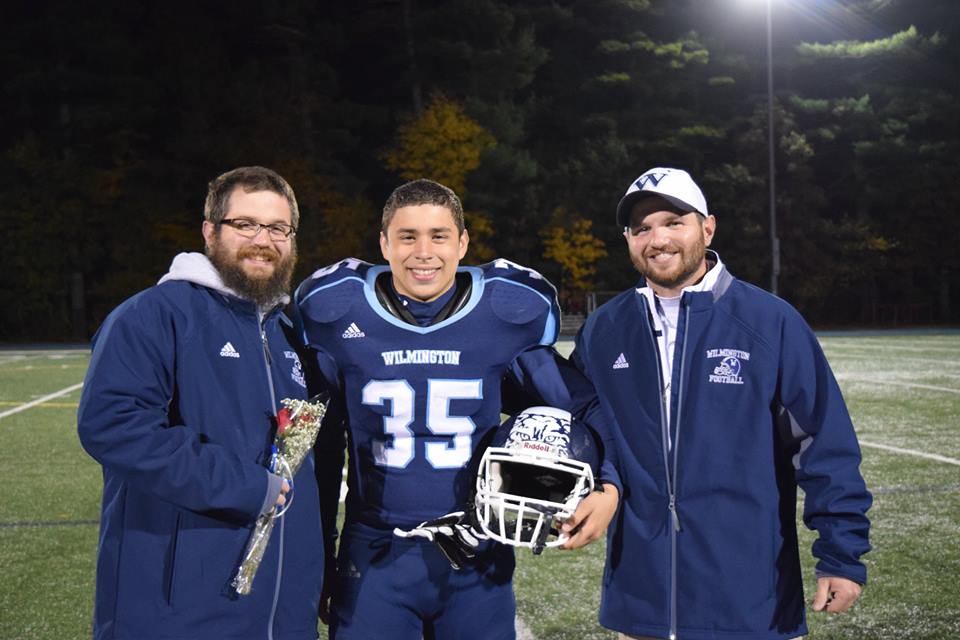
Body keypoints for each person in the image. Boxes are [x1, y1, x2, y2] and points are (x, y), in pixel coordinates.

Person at [294, 178, 619, 640]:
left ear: (462, 243)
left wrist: (609, 486)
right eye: (408, 236)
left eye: (439, 236)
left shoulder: (503, 315)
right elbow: (321, 449)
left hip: (475, 553)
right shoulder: (338, 311)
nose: (423, 252)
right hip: (375, 552)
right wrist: (321, 554)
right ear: (384, 244)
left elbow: (583, 406)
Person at [570, 167, 872, 640]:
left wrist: (841, 554)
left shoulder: (770, 322)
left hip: (749, 603)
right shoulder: (604, 330)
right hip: (640, 602)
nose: (657, 239)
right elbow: (588, 435)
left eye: (674, 222)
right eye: (641, 228)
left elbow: (823, 444)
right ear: (628, 239)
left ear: (707, 228)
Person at [78, 166, 340, 640]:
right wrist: (245, 486)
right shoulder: (154, 315)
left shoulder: (291, 333)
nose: (263, 240)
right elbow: (114, 426)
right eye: (246, 224)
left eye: (278, 228)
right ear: (209, 231)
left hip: (283, 615)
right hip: (177, 615)